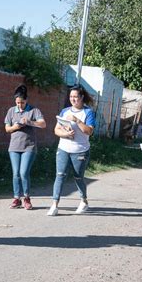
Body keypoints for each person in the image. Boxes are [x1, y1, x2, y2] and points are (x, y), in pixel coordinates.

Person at [47, 85, 96, 216]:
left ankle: (84, 201)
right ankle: (54, 204)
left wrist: (77, 120)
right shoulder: (65, 111)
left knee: (78, 177)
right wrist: (66, 134)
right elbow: (56, 130)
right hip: (63, 148)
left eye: (75, 97)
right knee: (60, 175)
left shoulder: (88, 112)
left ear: (81, 97)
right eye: (71, 97)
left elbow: (89, 131)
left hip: (80, 150)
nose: (73, 99)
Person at [4, 84, 46, 210]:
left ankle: (26, 198)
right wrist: (15, 127)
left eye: (22, 103)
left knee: (23, 173)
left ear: (26, 100)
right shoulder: (11, 111)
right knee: (15, 173)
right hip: (14, 147)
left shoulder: (34, 110)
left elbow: (43, 124)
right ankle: (17, 198)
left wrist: (29, 122)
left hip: (29, 147)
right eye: (17, 103)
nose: (19, 105)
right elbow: (7, 129)